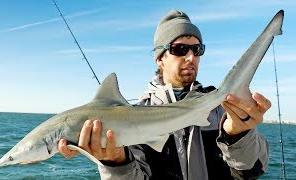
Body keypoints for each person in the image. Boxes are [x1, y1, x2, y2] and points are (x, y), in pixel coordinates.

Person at [58, 10, 270, 180]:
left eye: (197, 50)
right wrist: (115, 162)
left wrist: (238, 135)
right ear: (160, 58)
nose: (190, 57)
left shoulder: (224, 109)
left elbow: (251, 171)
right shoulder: (130, 118)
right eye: (180, 49)